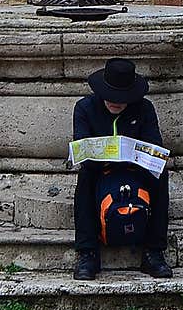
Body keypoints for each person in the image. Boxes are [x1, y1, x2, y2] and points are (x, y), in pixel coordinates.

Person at [71, 56, 173, 280]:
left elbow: (154, 145)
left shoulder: (144, 109)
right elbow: (82, 145)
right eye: (111, 97)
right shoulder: (85, 108)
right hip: (99, 169)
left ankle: (153, 252)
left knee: (161, 175)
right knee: (85, 178)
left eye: (122, 98)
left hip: (134, 169)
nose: (115, 102)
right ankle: (87, 252)